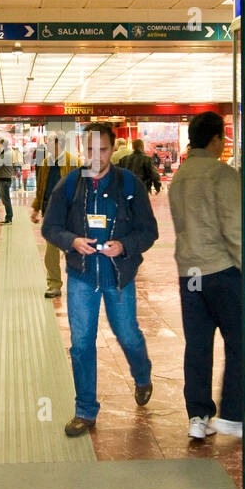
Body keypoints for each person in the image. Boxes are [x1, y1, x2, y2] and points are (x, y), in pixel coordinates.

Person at [42, 121, 158, 437]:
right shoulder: (69, 184)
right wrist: (71, 240)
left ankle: (142, 373)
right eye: (90, 149)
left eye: (103, 149)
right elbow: (49, 227)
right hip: (81, 276)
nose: (96, 156)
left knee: (128, 334)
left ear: (113, 147)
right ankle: (85, 411)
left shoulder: (130, 184)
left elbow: (149, 231)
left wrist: (125, 246)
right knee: (81, 344)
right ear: (82, 148)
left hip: (118, 276)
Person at [167, 111, 243, 439]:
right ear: (215, 140)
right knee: (240, 342)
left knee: (197, 344)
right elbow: (234, 227)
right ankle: (232, 414)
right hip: (221, 271)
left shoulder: (179, 176)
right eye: (222, 138)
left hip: (190, 273)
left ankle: (197, 417)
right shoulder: (221, 174)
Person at [30, 132, 77, 299]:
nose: (48, 145)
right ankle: (54, 285)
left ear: (60, 144)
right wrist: (36, 208)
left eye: (50, 142)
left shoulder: (74, 162)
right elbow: (41, 187)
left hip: (69, 215)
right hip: (51, 214)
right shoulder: (45, 163)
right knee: (51, 253)